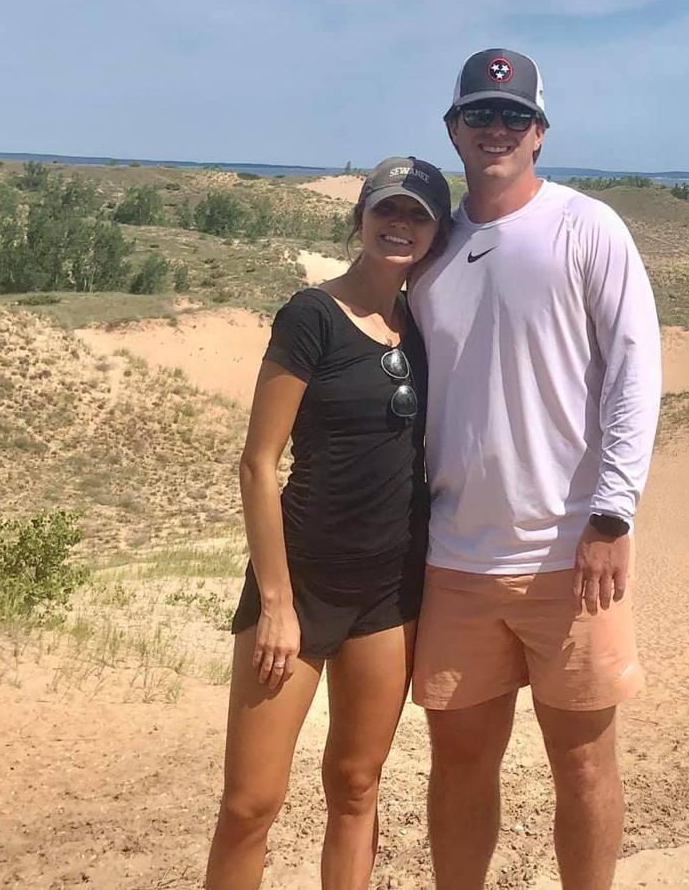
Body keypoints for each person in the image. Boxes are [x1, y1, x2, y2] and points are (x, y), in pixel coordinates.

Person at [408, 49, 662, 890]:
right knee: (461, 766)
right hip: (457, 558)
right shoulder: (428, 255)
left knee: (583, 766)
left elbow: (635, 371)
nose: (495, 129)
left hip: (571, 558)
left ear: (540, 134)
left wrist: (612, 515)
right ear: (453, 130)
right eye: (479, 114)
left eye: (513, 116)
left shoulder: (586, 227)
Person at [205, 156, 453, 890]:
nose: (399, 225)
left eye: (417, 215)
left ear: (435, 233)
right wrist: (276, 604)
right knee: (250, 803)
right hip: (301, 585)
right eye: (387, 209)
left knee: (356, 787)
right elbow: (257, 464)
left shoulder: (427, 331)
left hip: (388, 593)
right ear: (360, 218)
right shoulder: (311, 315)